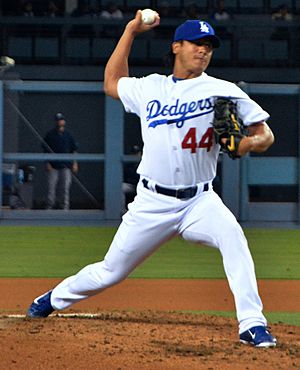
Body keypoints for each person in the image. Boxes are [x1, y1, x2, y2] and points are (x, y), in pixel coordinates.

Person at [27, 13, 277, 348]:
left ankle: (252, 324)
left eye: (209, 46)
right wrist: (130, 30)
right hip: (152, 202)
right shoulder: (150, 87)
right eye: (196, 44)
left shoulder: (223, 91)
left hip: (199, 201)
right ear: (177, 46)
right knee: (110, 272)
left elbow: (266, 134)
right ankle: (53, 298)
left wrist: (249, 143)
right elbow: (112, 82)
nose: (203, 51)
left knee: (233, 237)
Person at [43, 113, 78, 210]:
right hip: (53, 165)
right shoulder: (50, 134)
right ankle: (49, 206)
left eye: (61, 120)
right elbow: (45, 150)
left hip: (65, 166)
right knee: (51, 188)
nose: (60, 122)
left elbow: (73, 149)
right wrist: (47, 163)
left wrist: (74, 163)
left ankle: (65, 207)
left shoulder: (68, 135)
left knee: (65, 188)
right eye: (58, 120)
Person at [122, 144, 142, 213]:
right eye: (134, 153)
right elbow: (124, 177)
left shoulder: (143, 163)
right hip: (131, 186)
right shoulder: (129, 164)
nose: (136, 155)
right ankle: (123, 210)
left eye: (137, 153)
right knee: (121, 187)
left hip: (142, 186)